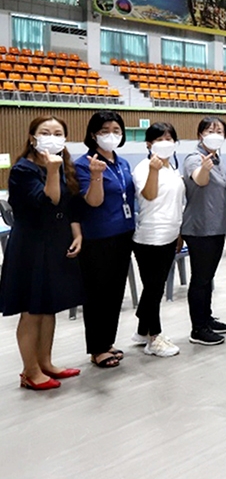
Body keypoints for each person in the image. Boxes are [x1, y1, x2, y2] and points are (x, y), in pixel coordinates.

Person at [0, 116, 83, 389]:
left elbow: (69, 205)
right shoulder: (23, 170)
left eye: (58, 133)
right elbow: (49, 200)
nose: (52, 137)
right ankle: (30, 371)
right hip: (31, 245)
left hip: (55, 241)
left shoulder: (60, 166)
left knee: (48, 308)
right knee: (31, 310)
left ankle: (46, 363)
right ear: (33, 138)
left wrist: (77, 233)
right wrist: (50, 171)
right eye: (45, 132)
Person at [75, 111, 134, 368]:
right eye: (105, 130)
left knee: (115, 292)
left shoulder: (122, 163)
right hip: (98, 237)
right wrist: (96, 174)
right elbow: (94, 201)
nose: (112, 134)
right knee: (97, 294)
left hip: (123, 233)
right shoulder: (83, 164)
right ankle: (97, 348)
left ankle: (107, 342)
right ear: (93, 134)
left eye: (116, 130)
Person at [130, 123, 185, 357]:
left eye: (170, 138)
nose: (166, 142)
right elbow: (150, 196)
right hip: (149, 236)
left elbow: (177, 204)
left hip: (171, 234)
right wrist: (153, 170)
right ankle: (154, 338)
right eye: (160, 138)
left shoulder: (172, 168)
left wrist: (179, 233)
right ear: (149, 143)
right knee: (154, 289)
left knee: (155, 287)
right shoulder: (143, 168)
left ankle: (142, 330)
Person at [181, 117, 226, 346]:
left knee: (208, 278)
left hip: (216, 227)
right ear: (200, 133)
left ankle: (207, 318)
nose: (215, 133)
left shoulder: (218, 159)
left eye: (220, 130)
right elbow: (199, 180)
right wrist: (204, 168)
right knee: (200, 279)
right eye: (210, 130)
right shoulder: (195, 158)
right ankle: (198, 328)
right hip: (199, 228)